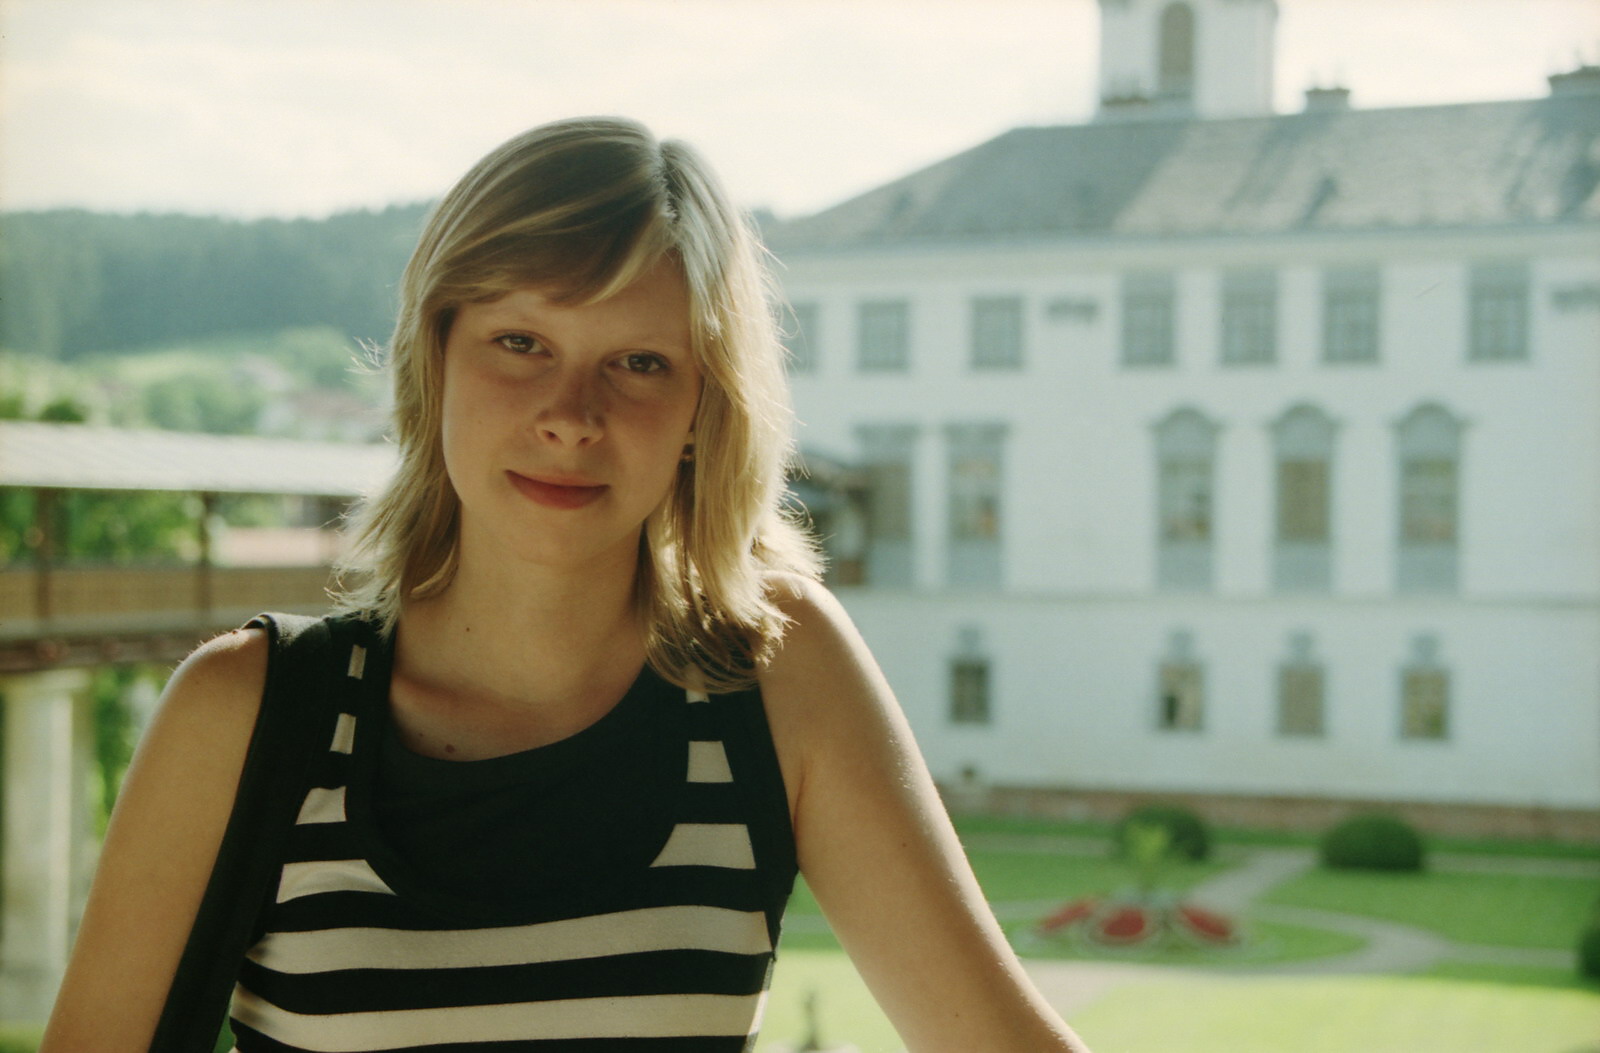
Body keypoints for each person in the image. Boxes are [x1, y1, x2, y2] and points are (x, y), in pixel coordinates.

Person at [42, 117, 1091, 1052]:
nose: (571, 416)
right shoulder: (244, 715)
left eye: (639, 363)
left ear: (702, 408)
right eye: (521, 342)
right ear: (434, 359)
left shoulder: (773, 673)